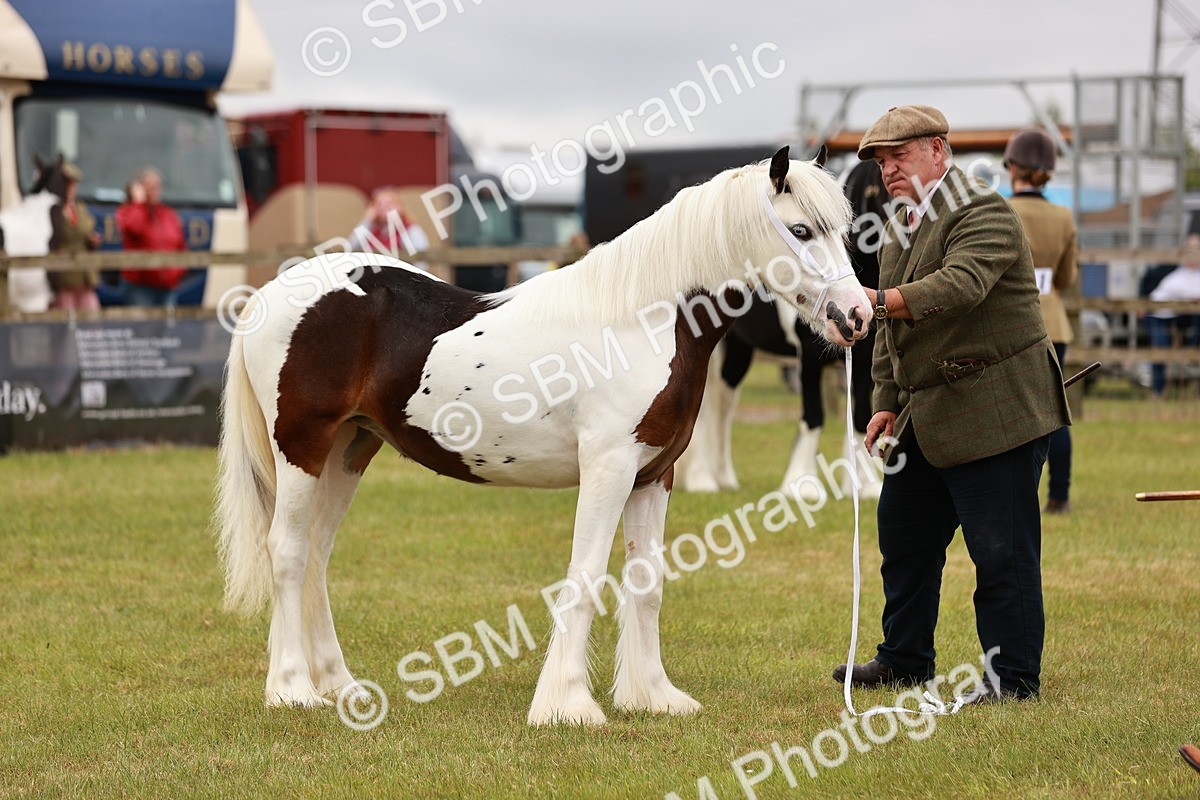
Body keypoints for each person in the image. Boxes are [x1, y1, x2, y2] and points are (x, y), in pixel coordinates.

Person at [833, 105, 1071, 704]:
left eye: (899, 155)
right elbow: (889, 340)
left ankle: (1012, 681)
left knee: (1001, 555)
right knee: (904, 541)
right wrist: (885, 403)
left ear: (939, 150)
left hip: (998, 413)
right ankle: (904, 659)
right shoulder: (896, 229)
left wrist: (878, 299)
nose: (887, 170)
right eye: (881, 161)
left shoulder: (984, 209)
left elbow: (959, 286)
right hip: (924, 417)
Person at [1005, 129, 1079, 513]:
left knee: (1014, 413)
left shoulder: (1002, 210)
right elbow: (1067, 279)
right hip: (1053, 319)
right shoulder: (1063, 216)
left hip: (1013, 322)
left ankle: (1017, 495)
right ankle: (1059, 495)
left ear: (1012, 166)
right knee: (1055, 409)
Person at [115, 167, 187, 305]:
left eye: (157, 186)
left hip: (167, 287)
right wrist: (139, 203)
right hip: (140, 287)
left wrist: (174, 272)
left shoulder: (168, 214)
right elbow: (134, 228)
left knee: (169, 326)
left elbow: (181, 246)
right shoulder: (128, 212)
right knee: (143, 326)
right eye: (149, 186)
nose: (154, 191)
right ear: (140, 189)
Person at [1145, 235, 1200, 397]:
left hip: (1191, 321)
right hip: (1164, 317)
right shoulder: (1174, 275)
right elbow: (1155, 299)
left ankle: (1190, 357)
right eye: (1190, 248)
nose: (1193, 252)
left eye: (1196, 248)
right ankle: (1158, 390)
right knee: (1160, 345)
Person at [49, 162, 102, 310]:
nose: (71, 189)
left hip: (85, 275)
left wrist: (92, 241)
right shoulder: (54, 210)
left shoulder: (81, 208)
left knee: (91, 323)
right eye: (68, 184)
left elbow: (86, 232)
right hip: (64, 277)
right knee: (67, 324)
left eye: (74, 184)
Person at [349, 189, 430, 269]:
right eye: (378, 204)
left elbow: (422, 261)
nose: (383, 207)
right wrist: (366, 220)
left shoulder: (411, 230)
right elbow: (351, 247)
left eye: (389, 204)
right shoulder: (371, 229)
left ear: (399, 206)